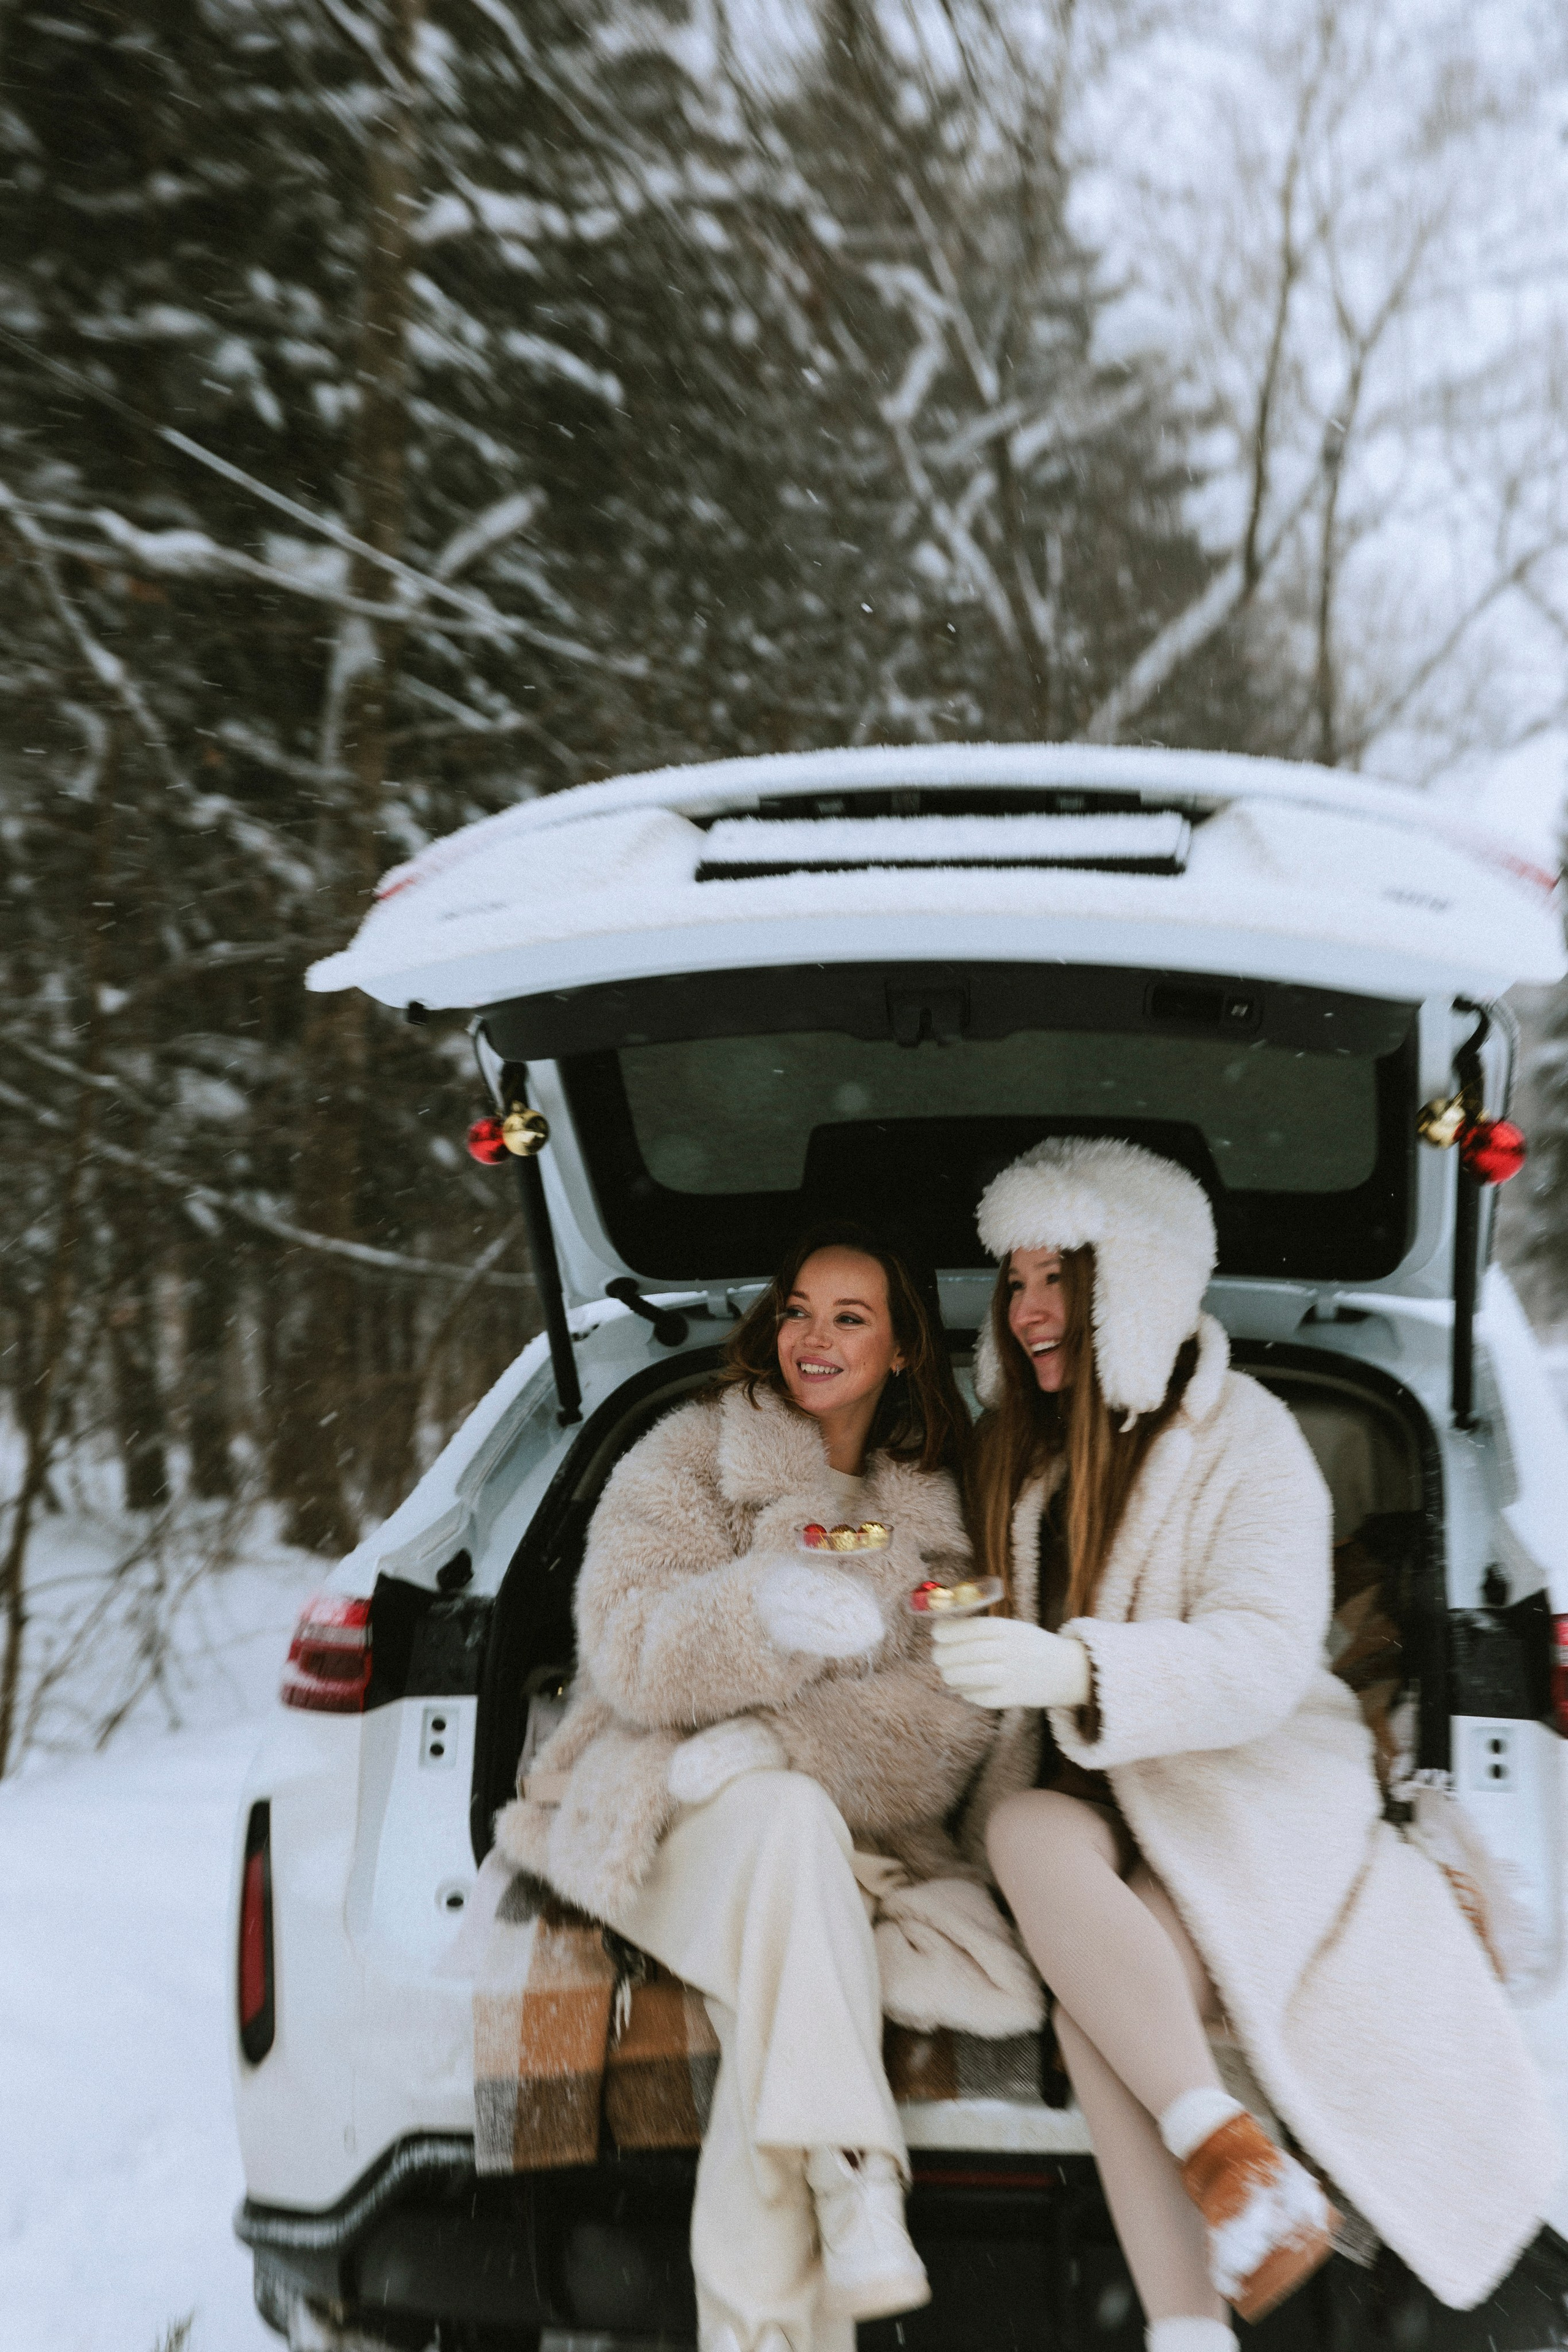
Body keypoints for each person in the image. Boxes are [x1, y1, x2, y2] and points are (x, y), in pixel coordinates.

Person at [933, 1137, 1556, 2352]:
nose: (1027, 1310)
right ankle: (1228, 2162)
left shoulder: (1249, 1438)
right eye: (1014, 1283)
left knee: (1095, 2019)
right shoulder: (1012, 1443)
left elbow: (1268, 1653)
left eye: (1056, 1277)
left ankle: (1187, 2325)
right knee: (1020, 1825)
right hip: (1075, 1802)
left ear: (1141, 1281)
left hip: (1239, 1794)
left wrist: (1081, 1666)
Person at [495, 1223, 1009, 2352]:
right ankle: (856, 2173)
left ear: (907, 1350)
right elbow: (620, 1645)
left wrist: (788, 1739)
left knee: (780, 1897)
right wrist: (757, 1612)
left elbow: (951, 1718)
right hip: (657, 1805)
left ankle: (775, 2318)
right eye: (798, 1309)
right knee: (786, 1855)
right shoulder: (685, 1455)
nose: (812, 1338)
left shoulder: (929, 1508)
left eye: (850, 1316)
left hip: (824, 1833)